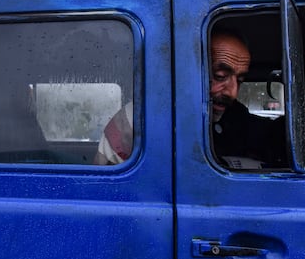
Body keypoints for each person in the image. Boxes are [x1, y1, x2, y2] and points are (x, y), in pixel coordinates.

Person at [94, 30, 284, 166]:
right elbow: (111, 196)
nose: (232, 93)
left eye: (240, 80)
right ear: (188, 68)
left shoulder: (236, 116)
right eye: (219, 76)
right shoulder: (133, 122)